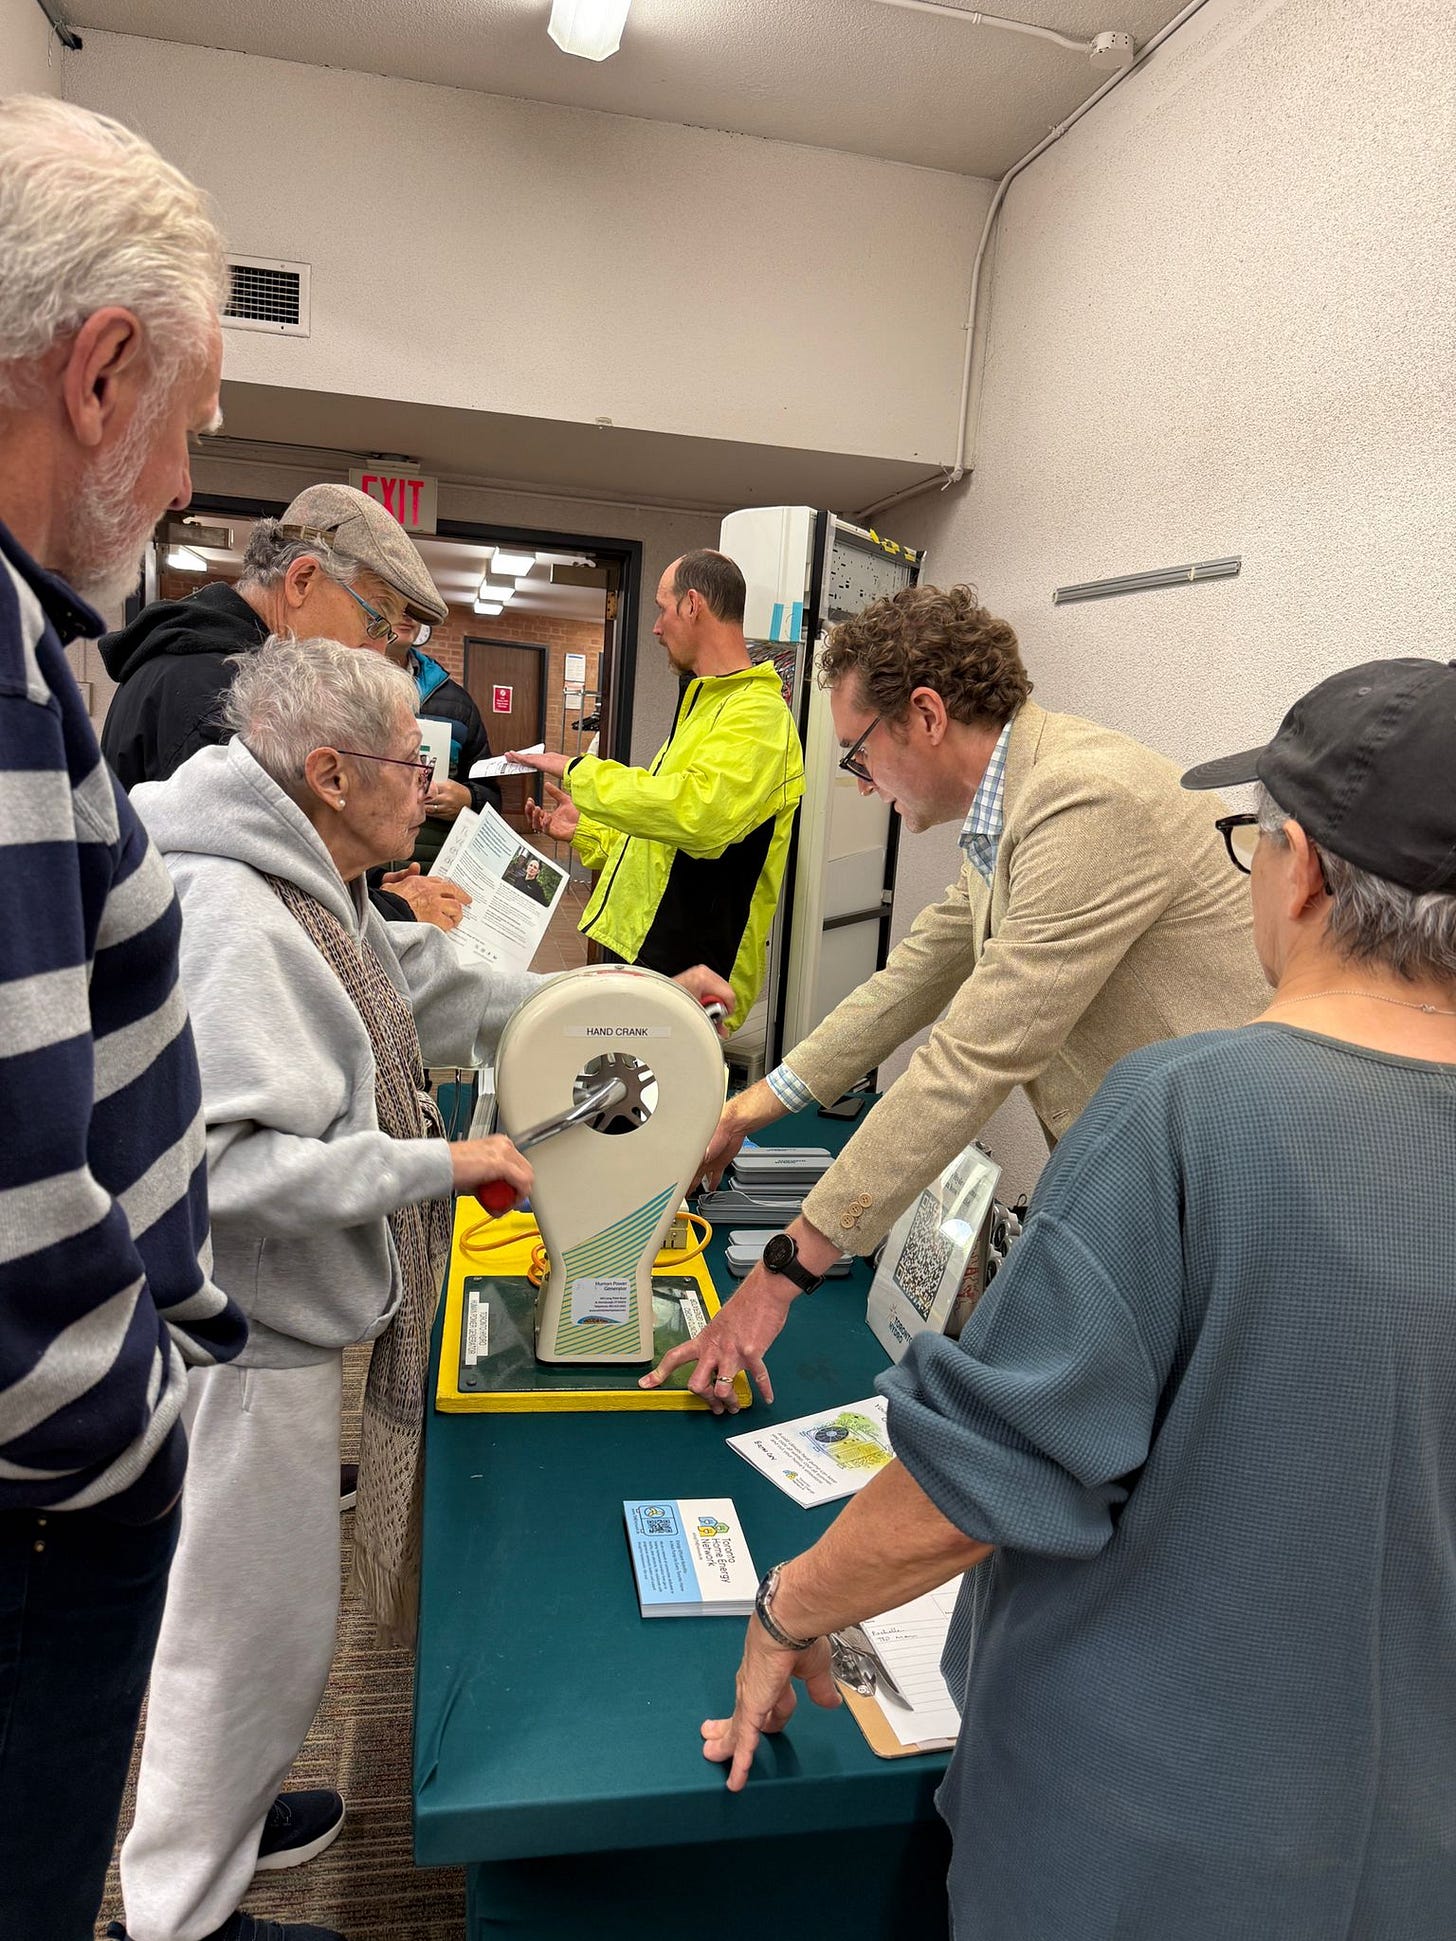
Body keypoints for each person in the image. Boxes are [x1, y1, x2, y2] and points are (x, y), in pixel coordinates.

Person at [700, 654, 1456, 1939]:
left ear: (1302, 871)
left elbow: (981, 1477)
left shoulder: (1181, 1106)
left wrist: (790, 1607)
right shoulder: (1012, 830)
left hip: (1139, 1847)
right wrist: (764, 1100)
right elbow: (912, 986)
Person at [111, 635, 733, 1941]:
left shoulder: (310, 881)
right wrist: (444, 1164)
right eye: (412, 763)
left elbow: (436, 990)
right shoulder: (235, 913)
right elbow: (225, 1167)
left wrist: (623, 992)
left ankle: (227, 1824)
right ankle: (178, 1912)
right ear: (329, 774)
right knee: (237, 1633)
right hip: (247, 1337)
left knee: (274, 1624)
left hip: (285, 1319)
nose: (436, 787)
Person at [648, 583, 1268, 1410]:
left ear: (927, 715)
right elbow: (906, 984)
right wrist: (744, 1111)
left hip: (1231, 1196)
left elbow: (970, 1058)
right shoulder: (1007, 811)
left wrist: (781, 1273)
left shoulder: (1085, 798)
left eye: (857, 754)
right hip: (1151, 1176)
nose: (861, 784)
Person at [0, 95, 250, 1940]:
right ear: (99, 374)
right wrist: (135, 1423)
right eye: (189, 426)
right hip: (41, 1503)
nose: (176, 485)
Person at [99, 481, 468, 928]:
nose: (376, 651)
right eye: (375, 619)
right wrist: (399, 911)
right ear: (302, 580)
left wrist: (367, 893)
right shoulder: (227, 698)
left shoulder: (205, 666)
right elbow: (258, 902)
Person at [510, 549, 804, 1030]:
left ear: (692, 604)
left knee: (667, 1082)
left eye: (662, 609)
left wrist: (579, 771)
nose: (656, 627)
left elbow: (699, 817)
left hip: (698, 970)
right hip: (650, 953)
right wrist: (589, 831)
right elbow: (665, 835)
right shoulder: (706, 705)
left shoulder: (758, 716)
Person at [388, 626, 502, 869]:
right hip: (351, 872)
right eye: (395, 606)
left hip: (432, 868)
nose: (407, 614)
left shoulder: (458, 703)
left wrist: (469, 799)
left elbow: (491, 794)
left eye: (417, 609)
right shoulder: (333, 687)